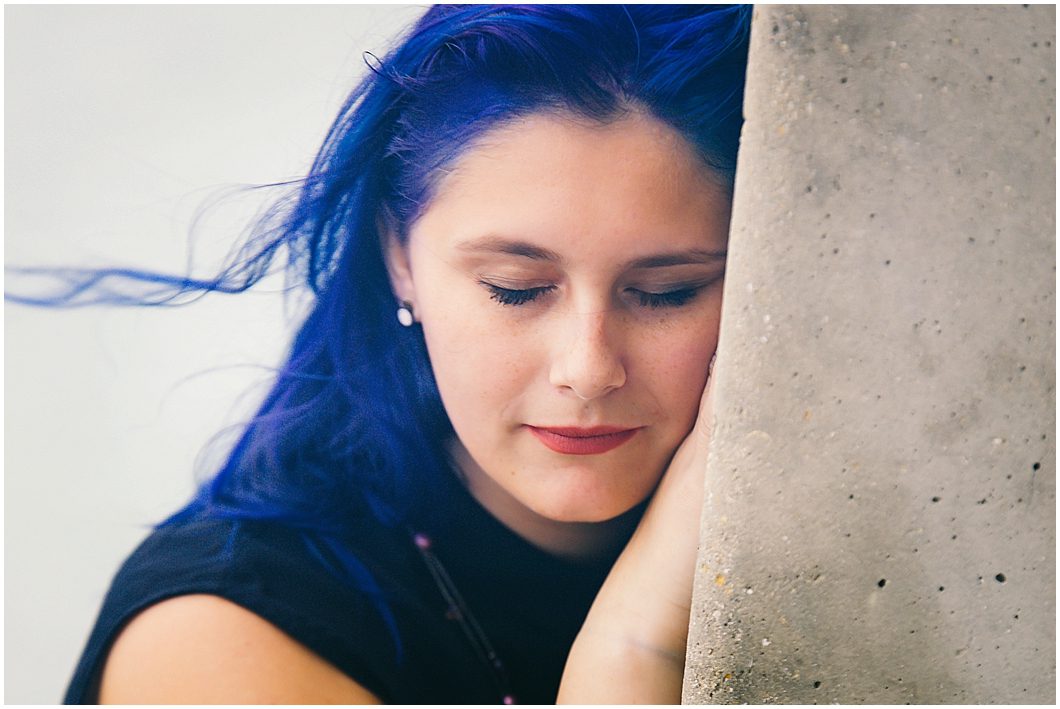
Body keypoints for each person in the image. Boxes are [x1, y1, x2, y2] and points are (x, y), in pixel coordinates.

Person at [47, 4, 750, 704]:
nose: (589, 369)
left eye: (667, 292)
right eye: (515, 288)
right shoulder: (218, 640)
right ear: (400, 258)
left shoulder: (795, 541)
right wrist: (636, 645)